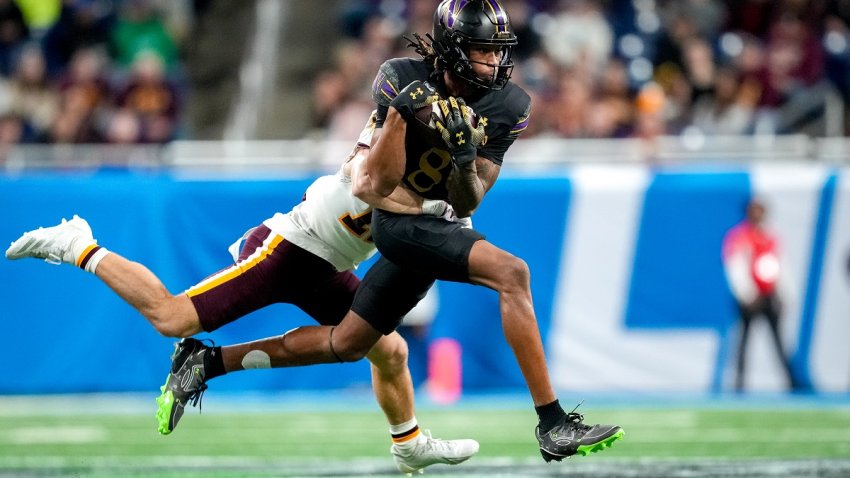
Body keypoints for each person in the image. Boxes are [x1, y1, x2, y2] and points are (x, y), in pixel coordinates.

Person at [132, 0, 623, 464]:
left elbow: (470, 198)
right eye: (483, 50)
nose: (495, 61)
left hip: (426, 223)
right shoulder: (403, 81)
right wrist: (407, 118)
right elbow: (371, 184)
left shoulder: (507, 106)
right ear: (453, 49)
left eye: (499, 50)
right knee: (512, 273)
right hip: (391, 223)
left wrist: (463, 155)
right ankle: (553, 423)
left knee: (351, 344)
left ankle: (210, 363)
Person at [5, 113, 478, 475]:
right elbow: (369, 176)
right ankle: (77, 244)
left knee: (389, 350)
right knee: (172, 318)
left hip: (329, 265)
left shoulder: (444, 195)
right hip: (287, 249)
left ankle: (407, 441)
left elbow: (441, 232)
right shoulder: (382, 153)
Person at [722, 198, 799, 391]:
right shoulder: (740, 236)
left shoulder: (771, 235)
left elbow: (781, 266)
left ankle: (791, 382)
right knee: (744, 341)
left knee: (779, 341)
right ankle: (739, 383)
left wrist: (786, 294)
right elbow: (735, 267)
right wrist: (746, 294)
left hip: (770, 295)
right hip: (751, 298)